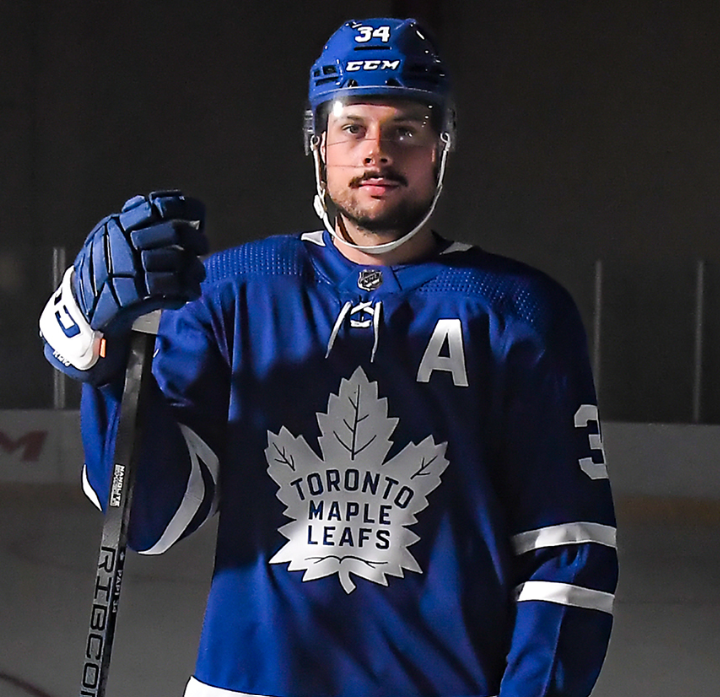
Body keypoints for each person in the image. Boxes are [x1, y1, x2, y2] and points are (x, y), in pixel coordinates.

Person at [39, 17, 618, 697]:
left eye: (406, 129)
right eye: (352, 127)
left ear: (441, 147)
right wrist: (105, 368)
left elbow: (570, 555)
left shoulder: (519, 310)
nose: (377, 150)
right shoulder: (232, 291)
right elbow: (150, 519)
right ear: (318, 143)